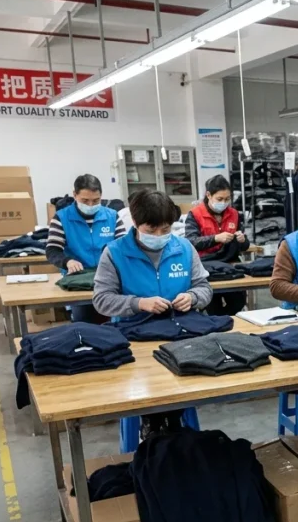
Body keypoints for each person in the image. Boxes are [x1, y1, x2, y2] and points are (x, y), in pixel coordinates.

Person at [93, 189, 212, 438]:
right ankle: (155, 426)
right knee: (151, 388)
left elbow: (204, 287)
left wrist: (192, 298)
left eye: (165, 230)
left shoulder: (184, 248)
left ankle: (174, 429)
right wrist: (139, 304)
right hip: (135, 337)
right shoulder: (114, 253)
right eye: (151, 230)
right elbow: (101, 300)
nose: (159, 236)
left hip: (180, 333)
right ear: (135, 223)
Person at [47, 173, 127, 322]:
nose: (90, 205)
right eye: (85, 200)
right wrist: (67, 261)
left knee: (114, 323)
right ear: (74, 195)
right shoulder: (62, 218)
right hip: (79, 279)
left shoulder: (112, 216)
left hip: (109, 278)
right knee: (85, 322)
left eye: (96, 200)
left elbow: (123, 246)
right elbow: (52, 250)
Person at [185, 174, 247, 316]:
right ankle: (219, 324)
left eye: (227, 199)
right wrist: (216, 238)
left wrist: (243, 240)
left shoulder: (234, 214)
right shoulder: (195, 214)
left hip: (230, 266)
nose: (224, 202)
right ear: (208, 195)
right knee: (212, 306)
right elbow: (191, 242)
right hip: (206, 267)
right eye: (220, 199)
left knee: (238, 302)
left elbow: (242, 246)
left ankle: (225, 322)